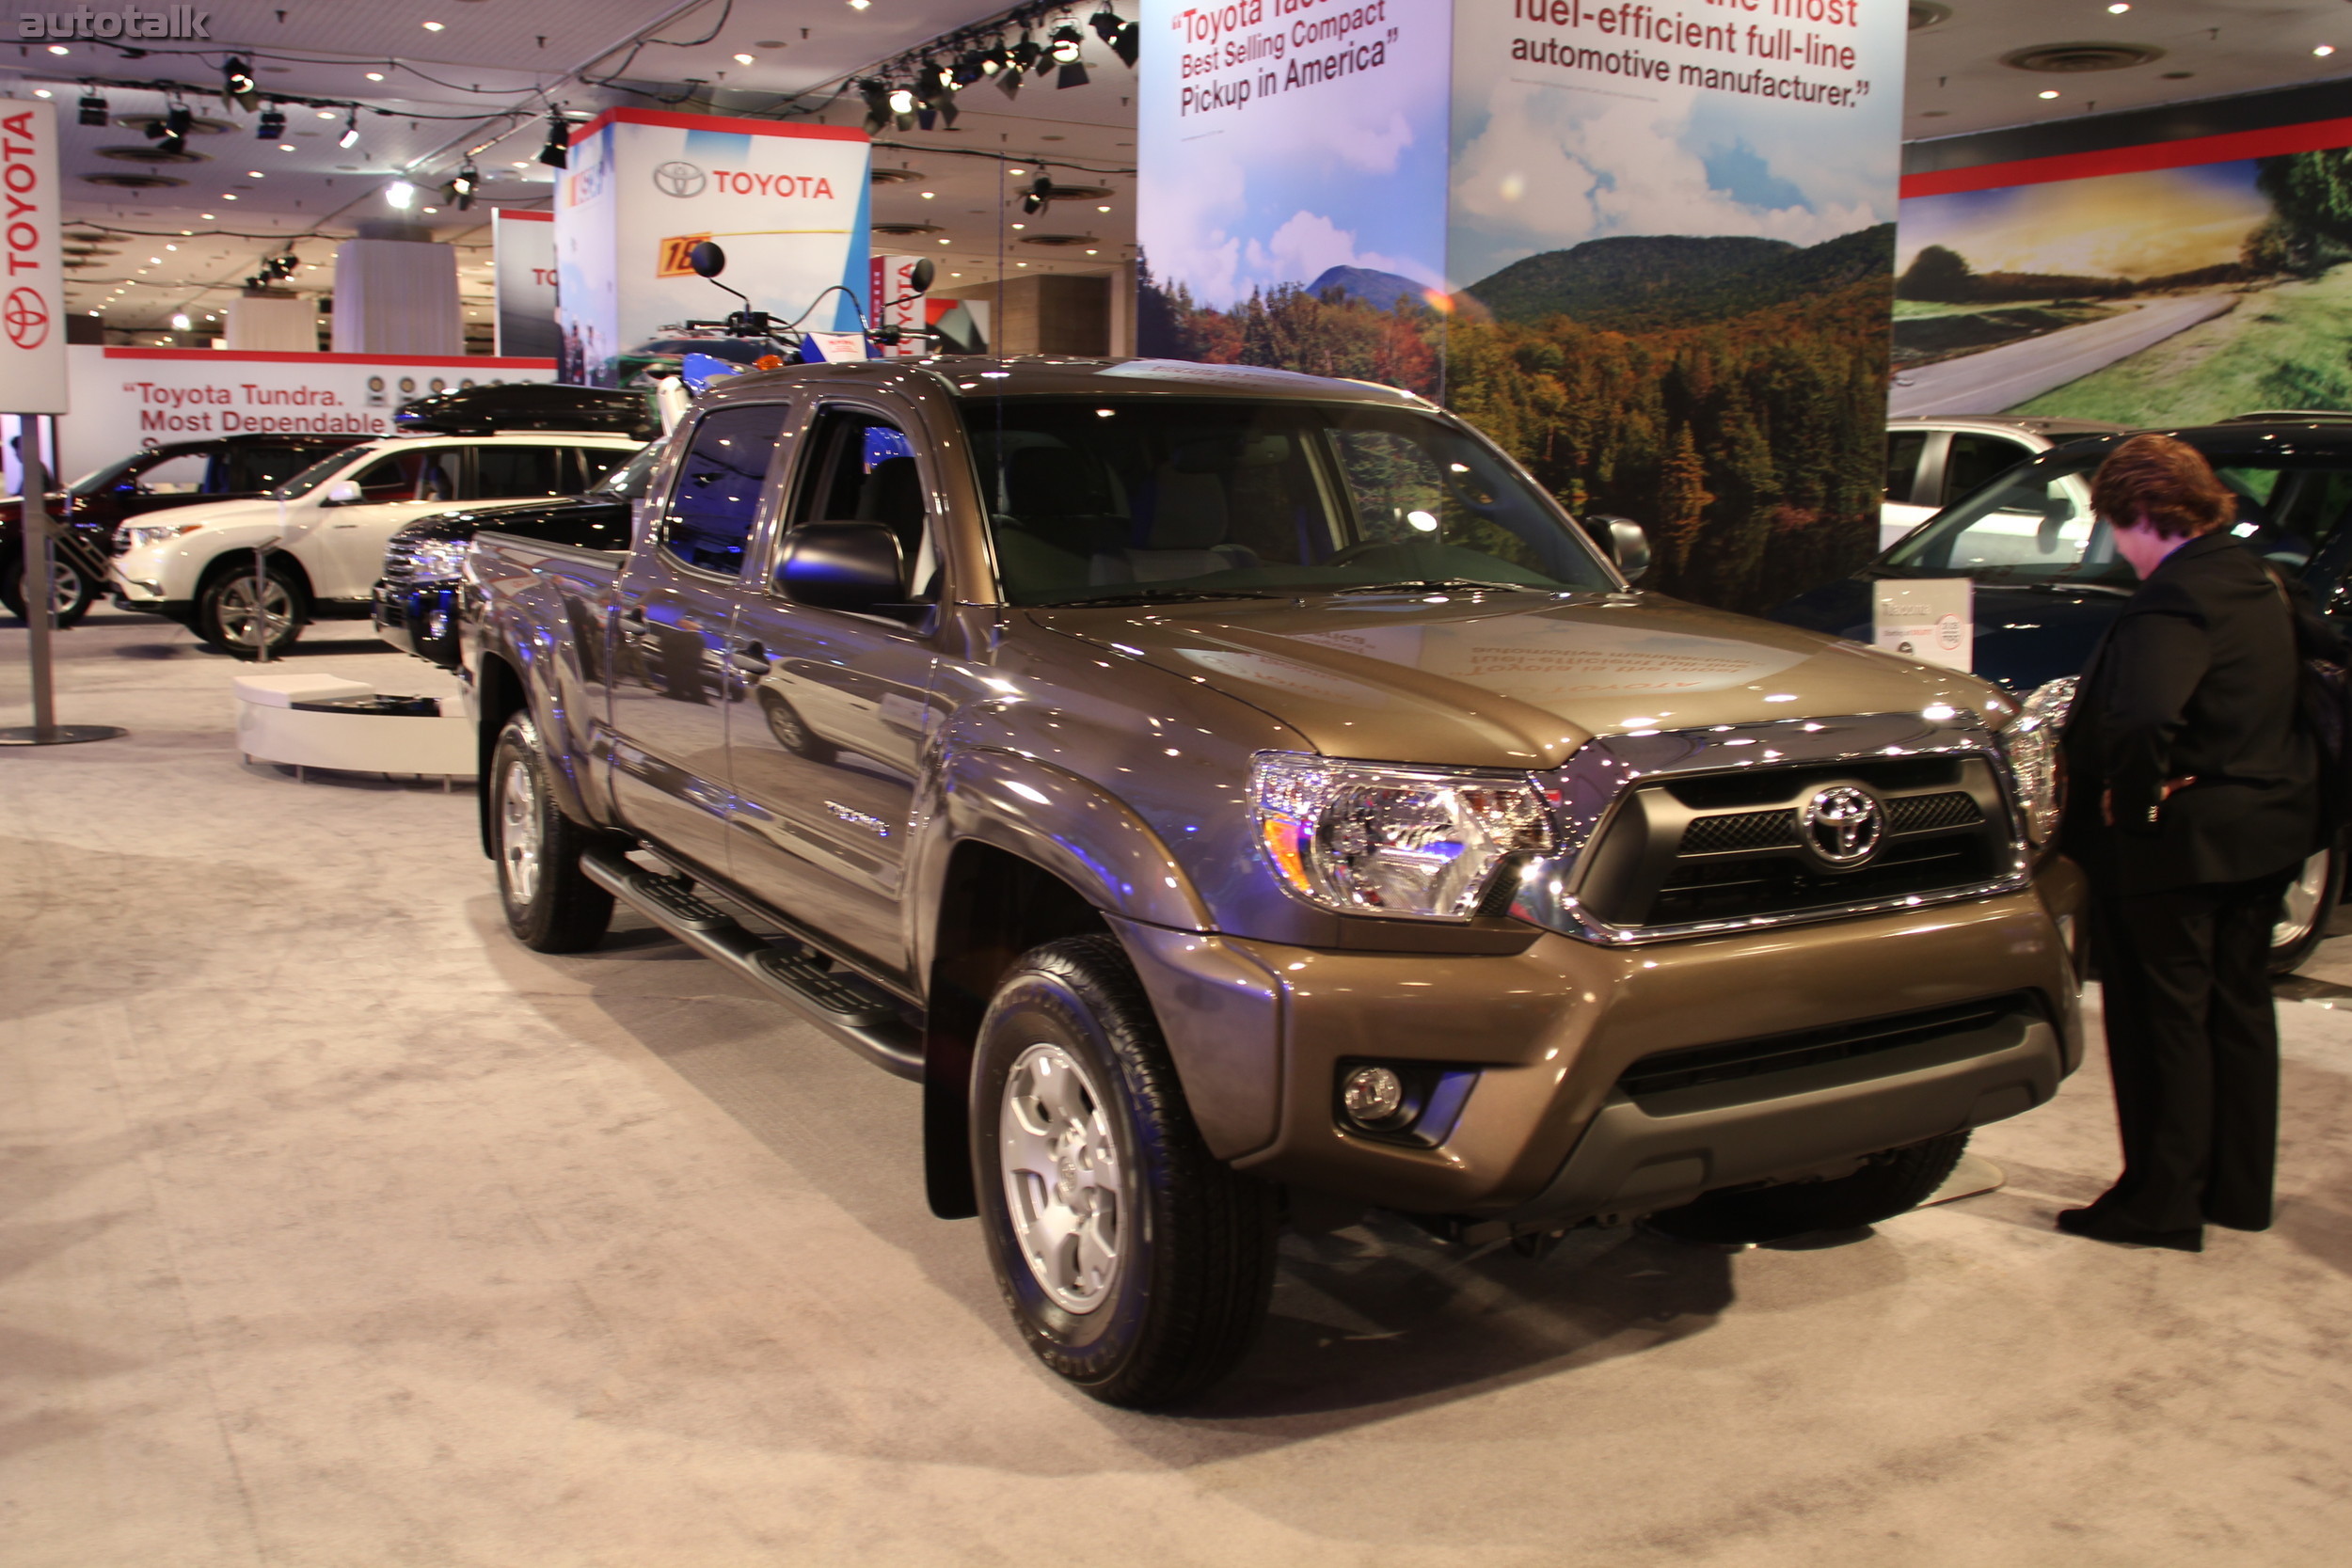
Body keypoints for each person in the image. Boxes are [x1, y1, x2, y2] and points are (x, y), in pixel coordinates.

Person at [2058, 434, 2324, 1252]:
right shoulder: (2261, 580)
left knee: (2161, 1020)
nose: (2118, 546)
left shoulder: (2172, 600)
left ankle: (2161, 1200)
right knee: (2238, 1008)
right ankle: (2238, 1190)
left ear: (2142, 513)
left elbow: (2143, 718)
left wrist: (2130, 813)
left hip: (2181, 847)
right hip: (2266, 828)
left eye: (2114, 526)